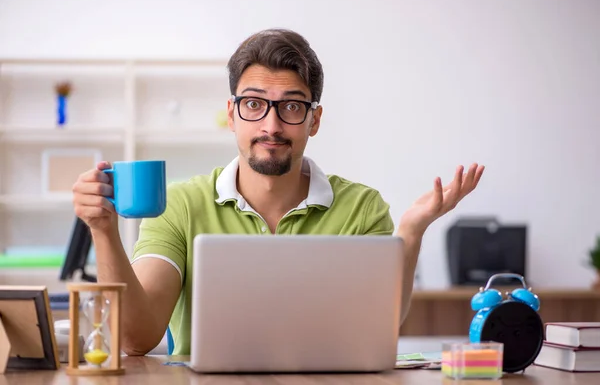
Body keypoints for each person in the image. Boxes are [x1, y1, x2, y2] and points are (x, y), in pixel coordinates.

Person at [72, 28, 484, 356]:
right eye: (254, 104)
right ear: (232, 114)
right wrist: (102, 230)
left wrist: (410, 230)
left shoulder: (362, 207)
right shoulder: (180, 204)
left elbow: (381, 325)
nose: (271, 126)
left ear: (314, 120)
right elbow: (135, 339)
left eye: (291, 106)